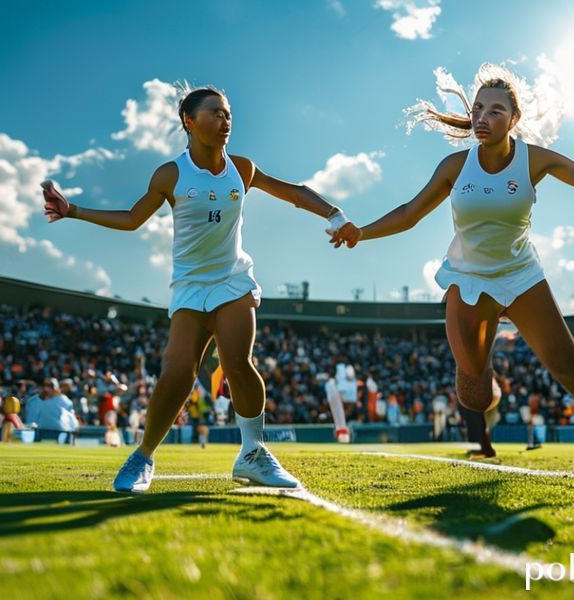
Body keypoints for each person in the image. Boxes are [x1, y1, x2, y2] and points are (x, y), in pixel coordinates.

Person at [331, 63, 574, 443]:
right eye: (477, 109)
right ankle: (489, 390)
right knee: (473, 391)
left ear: (514, 118)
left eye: (495, 111)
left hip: (521, 276)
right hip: (469, 279)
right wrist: (362, 232)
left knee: (567, 364)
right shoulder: (455, 167)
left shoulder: (535, 159)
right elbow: (410, 213)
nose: (482, 118)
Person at [42, 85, 352, 492]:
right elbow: (133, 218)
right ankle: (142, 457)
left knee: (238, 362)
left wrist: (333, 213)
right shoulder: (170, 173)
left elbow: (292, 191)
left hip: (232, 279)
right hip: (189, 286)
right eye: (215, 113)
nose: (226, 121)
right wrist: (74, 211)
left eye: (228, 114)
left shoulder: (243, 168)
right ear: (189, 121)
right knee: (177, 373)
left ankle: (253, 454)